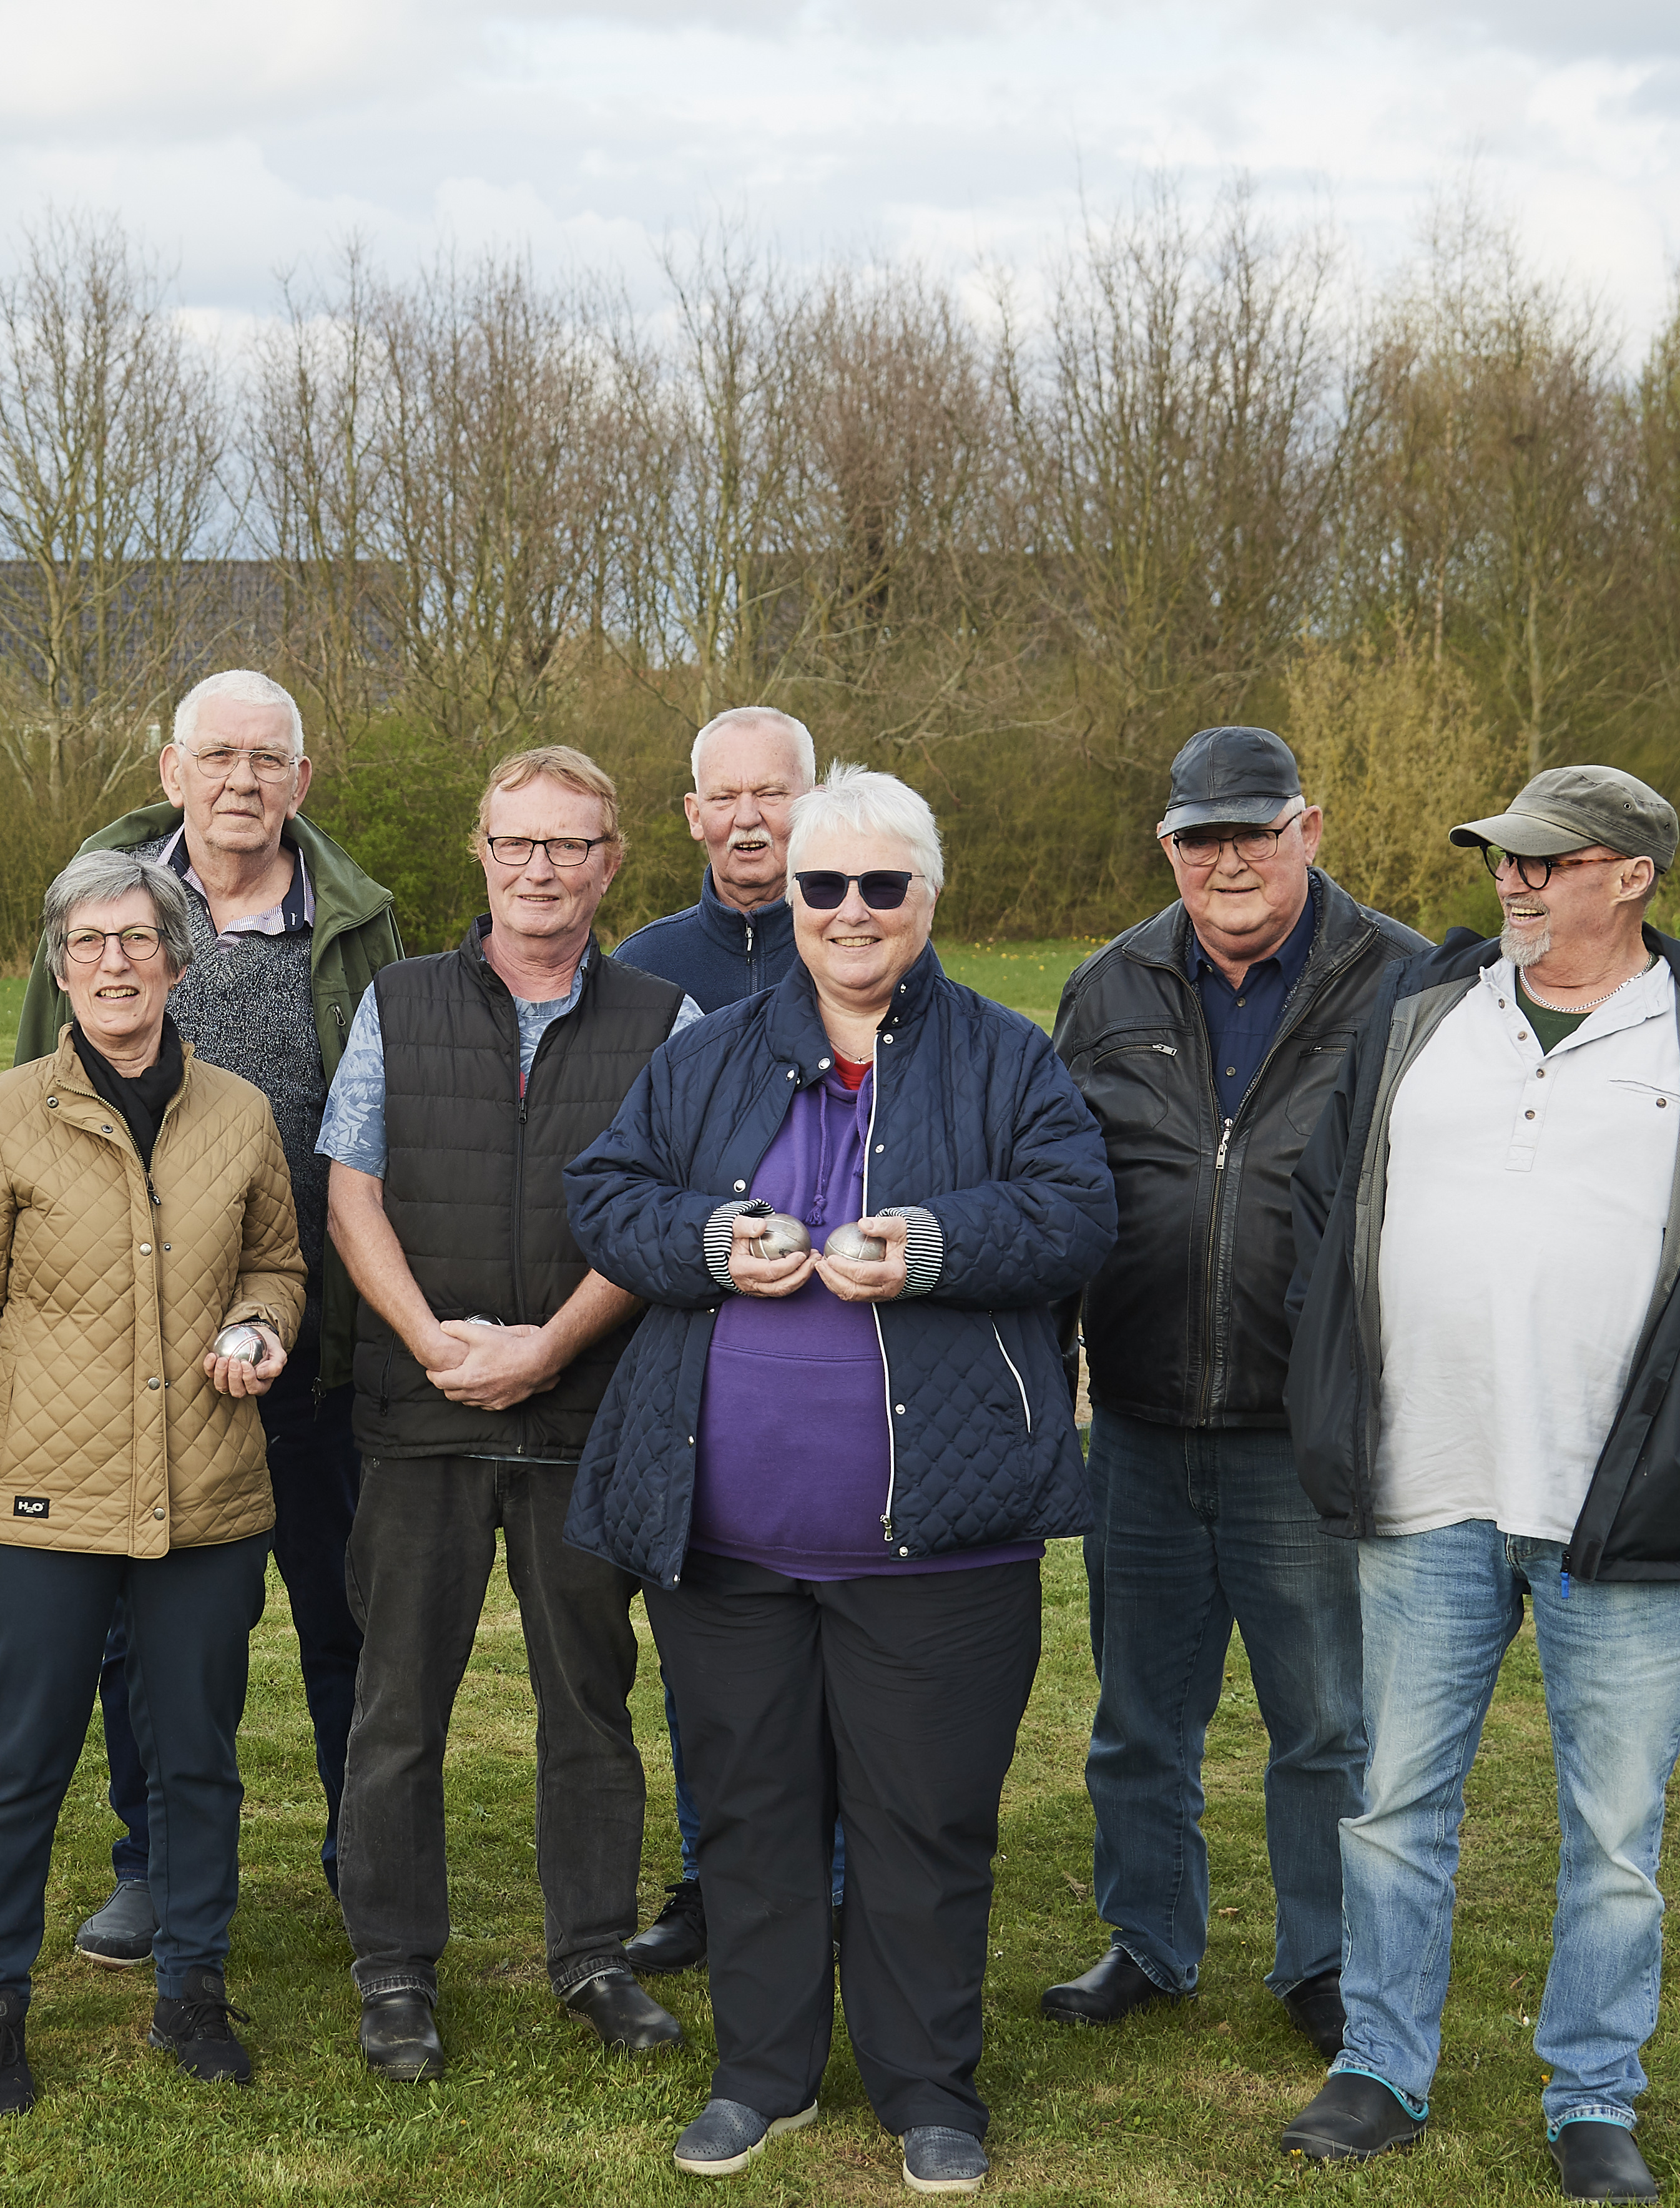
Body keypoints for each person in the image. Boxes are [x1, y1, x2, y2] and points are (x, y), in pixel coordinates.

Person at [1275, 767, 1680, 2201]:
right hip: (1425, 1486)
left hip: (1630, 1512)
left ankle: (1593, 2092)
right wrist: (1329, 1379)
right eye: (1502, 859)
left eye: (1549, 861)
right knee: (1394, 1796)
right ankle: (1377, 2066)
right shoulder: (1425, 1013)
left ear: (1633, 875)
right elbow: (1320, 1209)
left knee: (1612, 1833)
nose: (1515, 882)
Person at [567, 764, 1117, 2194]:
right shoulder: (712, 1050)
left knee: (920, 1818)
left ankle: (927, 2084)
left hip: (937, 1542)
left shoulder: (1005, 1055)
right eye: (825, 886)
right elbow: (605, 1191)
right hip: (732, 1537)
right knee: (749, 1813)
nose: (852, 911)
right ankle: (761, 2074)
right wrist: (704, 1237)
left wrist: (930, 1244)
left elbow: (1076, 1210)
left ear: (928, 898)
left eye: (884, 885)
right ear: (790, 900)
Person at [0, 849, 308, 2118]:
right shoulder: (2, 1117)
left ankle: (193, 1995)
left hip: (207, 1502)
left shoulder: (238, 1114)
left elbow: (277, 1263)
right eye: (86, 942)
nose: (113, 962)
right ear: (57, 968)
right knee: (17, 1764)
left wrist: (263, 1326)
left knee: (197, 1763)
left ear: (179, 959)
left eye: (136, 938)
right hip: (34, 1508)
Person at [1038, 727, 1426, 2054]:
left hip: (1303, 1430)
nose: (1229, 860)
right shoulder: (1106, 987)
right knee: (1139, 1717)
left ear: (1309, 828)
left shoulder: (1408, 983)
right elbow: (1060, 1190)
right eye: (1201, 837)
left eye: (1254, 830)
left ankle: (1322, 1958)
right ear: (1167, 847)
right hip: (1140, 1418)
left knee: (1321, 1722)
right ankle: (1148, 1937)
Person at [322, 744, 700, 2082]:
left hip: (585, 1417)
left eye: (570, 844)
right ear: (479, 853)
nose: (541, 867)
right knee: (395, 1707)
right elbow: (351, 1192)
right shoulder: (396, 999)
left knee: (587, 1706)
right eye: (517, 842)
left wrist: (546, 1346)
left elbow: (664, 1215)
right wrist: (433, 1340)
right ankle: (394, 1972)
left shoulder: (669, 1021)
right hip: (419, 1416)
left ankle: (592, 1955)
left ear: (610, 860)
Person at [13, 669, 405, 1960]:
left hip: (324, 1344)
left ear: (304, 776)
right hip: (144, 1358)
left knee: (345, 1615)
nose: (242, 780)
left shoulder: (362, 924)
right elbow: (34, 1109)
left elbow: (391, 1129)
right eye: (218, 756)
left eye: (268, 759)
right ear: (170, 767)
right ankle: (152, 1858)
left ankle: (368, 1856)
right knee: (151, 1636)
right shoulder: (94, 905)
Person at [609, 704, 823, 1974]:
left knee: (842, 1633)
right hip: (692, 1354)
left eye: (775, 792)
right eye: (725, 796)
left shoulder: (863, 934)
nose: (750, 818)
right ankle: (709, 1874)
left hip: (848, 1347)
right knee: (704, 1643)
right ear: (691, 815)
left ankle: (838, 1872)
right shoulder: (645, 968)